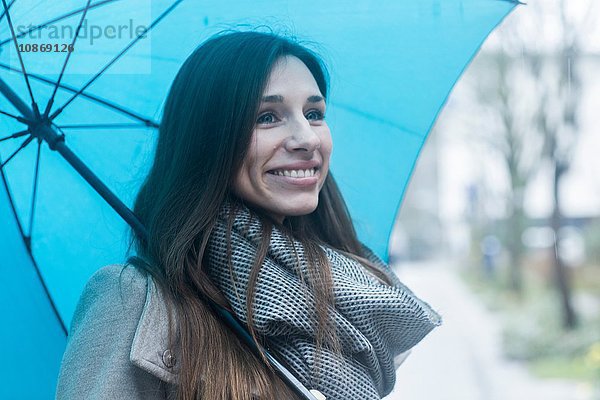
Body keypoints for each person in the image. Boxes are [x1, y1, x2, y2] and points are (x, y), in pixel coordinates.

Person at [56, 31, 441, 400]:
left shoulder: (352, 289)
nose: (306, 138)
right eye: (267, 117)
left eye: (313, 113)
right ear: (209, 141)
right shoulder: (132, 301)